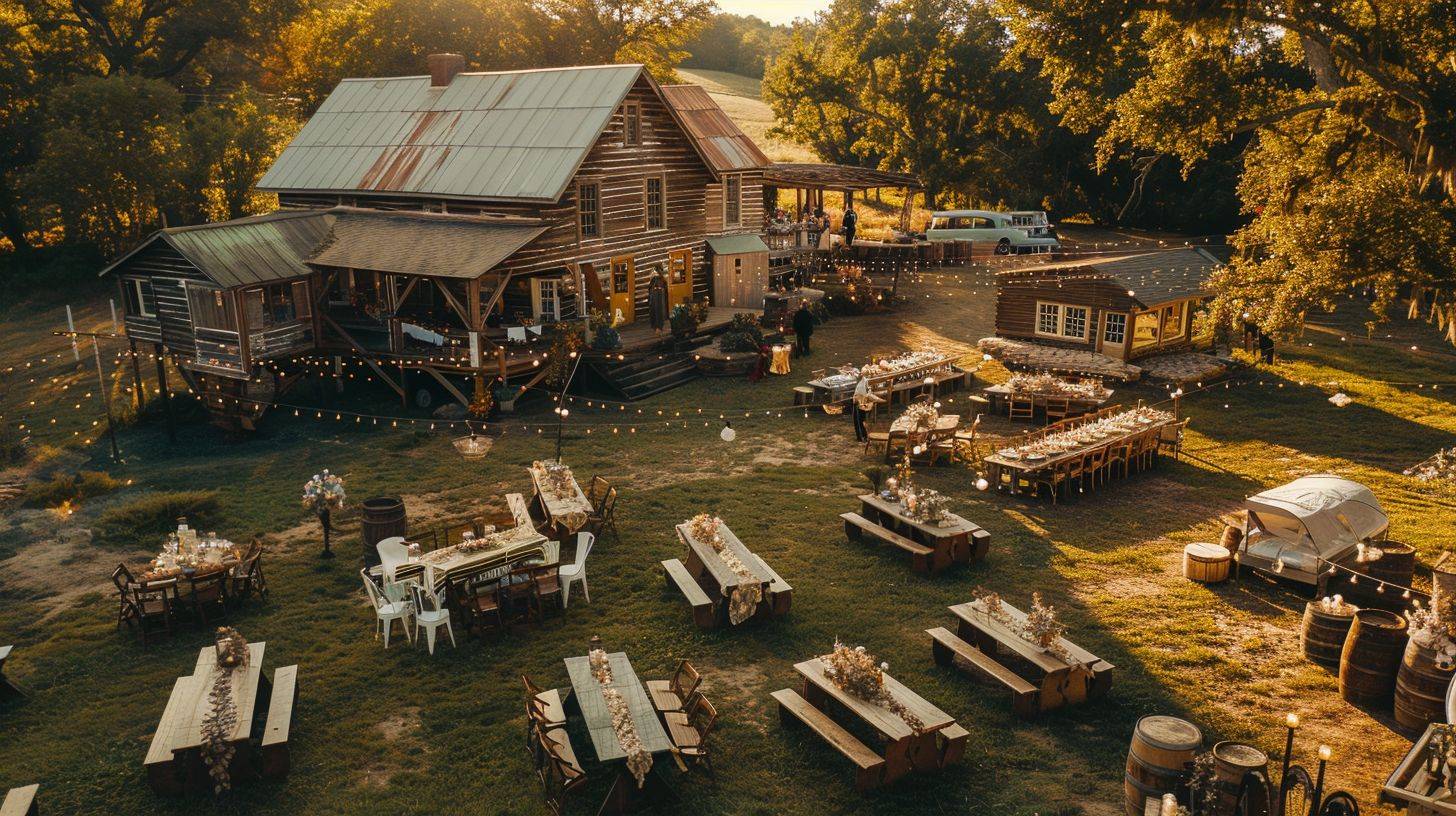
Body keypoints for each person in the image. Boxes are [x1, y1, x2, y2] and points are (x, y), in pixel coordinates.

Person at [851, 374, 874, 442]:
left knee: (860, 421)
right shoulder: (860, 381)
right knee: (857, 420)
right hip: (857, 402)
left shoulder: (864, 382)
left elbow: (863, 393)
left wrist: (858, 399)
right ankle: (860, 437)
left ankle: (863, 437)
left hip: (861, 403)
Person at [647, 266, 668, 335]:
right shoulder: (655, 279)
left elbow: (664, 288)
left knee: (659, 312)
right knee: (655, 312)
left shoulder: (661, 279)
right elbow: (650, 289)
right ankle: (656, 327)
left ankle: (658, 328)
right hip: (655, 297)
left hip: (659, 297)